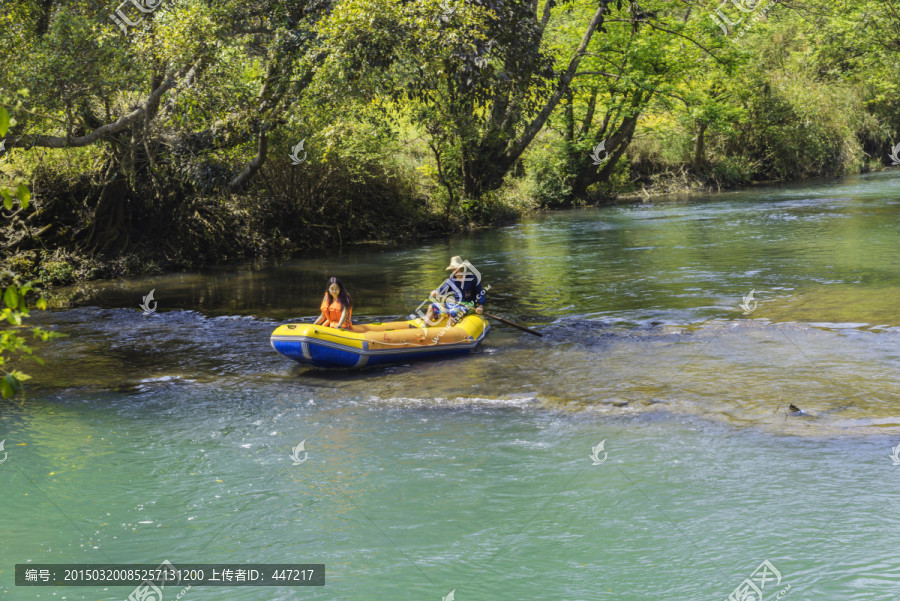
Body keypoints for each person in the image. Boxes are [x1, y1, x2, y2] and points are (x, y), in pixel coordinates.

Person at [424, 256, 485, 325]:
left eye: (457, 269)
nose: (454, 272)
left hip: (469, 305)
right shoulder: (451, 280)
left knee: (453, 311)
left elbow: (481, 292)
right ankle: (424, 328)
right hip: (455, 304)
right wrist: (436, 291)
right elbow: (442, 290)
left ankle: (448, 332)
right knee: (432, 306)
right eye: (453, 270)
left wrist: (481, 305)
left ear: (462, 268)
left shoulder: (472, 279)